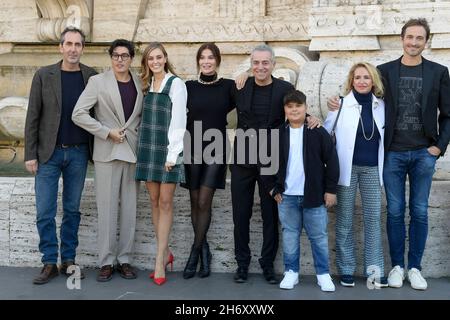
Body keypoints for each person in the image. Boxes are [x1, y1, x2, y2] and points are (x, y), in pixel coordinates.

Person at [328, 18, 450, 290]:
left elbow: (448, 114)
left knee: (419, 211)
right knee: (394, 211)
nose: (414, 42)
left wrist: (438, 147)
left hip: (423, 153)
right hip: (392, 153)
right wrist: (337, 101)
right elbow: (360, 92)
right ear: (402, 39)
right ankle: (396, 267)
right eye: (410, 37)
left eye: (420, 38)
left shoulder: (439, 72)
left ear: (426, 41)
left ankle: (415, 268)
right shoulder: (383, 71)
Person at [231, 44, 320, 284]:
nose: (260, 67)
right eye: (256, 63)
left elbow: (296, 109)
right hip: (242, 158)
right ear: (251, 64)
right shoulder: (239, 86)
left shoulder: (284, 88)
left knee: (270, 214)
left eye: (265, 63)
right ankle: (242, 264)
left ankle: (267, 264)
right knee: (241, 213)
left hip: (272, 159)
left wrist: (313, 119)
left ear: (273, 64)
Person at [24, 26, 97, 285]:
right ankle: (48, 261)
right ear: (61, 47)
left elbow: (98, 115)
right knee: (44, 210)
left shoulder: (91, 76)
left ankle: (68, 260)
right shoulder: (44, 75)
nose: (73, 49)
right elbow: (32, 116)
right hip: (48, 154)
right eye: (69, 44)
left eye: (78, 44)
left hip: (78, 153)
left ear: (83, 48)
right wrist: (30, 154)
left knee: (72, 210)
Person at [72, 39, 142, 282]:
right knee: (107, 208)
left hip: (133, 152)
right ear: (110, 57)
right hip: (107, 151)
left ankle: (125, 260)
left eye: (124, 55)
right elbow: (78, 113)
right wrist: (105, 131)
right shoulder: (98, 82)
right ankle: (106, 261)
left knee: (130, 209)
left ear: (132, 58)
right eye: (115, 55)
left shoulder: (140, 81)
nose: (120, 60)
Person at [263, 89, 338, 291]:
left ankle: (323, 274)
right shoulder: (277, 134)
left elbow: (332, 162)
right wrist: (271, 188)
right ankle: (291, 272)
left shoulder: (318, 132)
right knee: (290, 234)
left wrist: (330, 190)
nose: (294, 110)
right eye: (290, 107)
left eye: (298, 106)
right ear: (285, 110)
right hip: (286, 196)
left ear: (306, 108)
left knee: (319, 237)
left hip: (313, 195)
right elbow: (266, 164)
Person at [324, 62, 387, 288]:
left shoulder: (381, 106)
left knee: (373, 220)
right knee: (344, 222)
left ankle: (374, 271)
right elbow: (325, 133)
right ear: (351, 81)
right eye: (358, 77)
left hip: (372, 169)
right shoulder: (339, 105)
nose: (362, 81)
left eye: (366, 77)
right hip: (346, 169)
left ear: (373, 81)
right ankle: (346, 270)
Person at [181, 43, 236, 279]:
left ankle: (194, 252)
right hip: (192, 147)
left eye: (210, 57)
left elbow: (250, 98)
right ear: (198, 62)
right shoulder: (188, 87)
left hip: (217, 148)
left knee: (204, 201)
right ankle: (204, 249)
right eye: (202, 58)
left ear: (218, 61)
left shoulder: (229, 86)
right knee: (194, 201)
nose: (206, 61)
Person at [135, 42, 187, 286]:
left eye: (158, 57)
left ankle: (159, 260)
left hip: (167, 150)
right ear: (146, 62)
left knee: (166, 202)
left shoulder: (176, 84)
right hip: (148, 147)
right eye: (150, 58)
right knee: (154, 201)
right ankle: (166, 252)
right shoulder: (145, 86)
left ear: (165, 59)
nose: (155, 62)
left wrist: (173, 154)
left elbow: (178, 120)